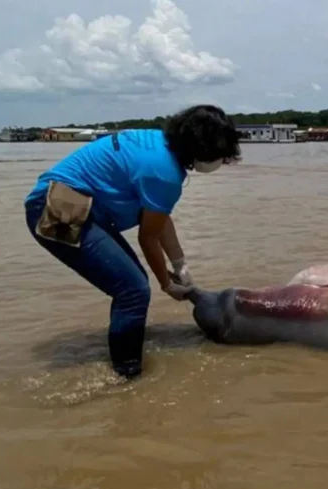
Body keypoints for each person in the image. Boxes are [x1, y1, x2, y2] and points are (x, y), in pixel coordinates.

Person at [23, 104, 241, 378]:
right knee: (133, 290)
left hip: (68, 201)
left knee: (133, 284)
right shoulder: (164, 172)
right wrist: (166, 283)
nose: (220, 161)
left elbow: (158, 219)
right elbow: (148, 236)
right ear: (203, 148)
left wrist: (180, 264)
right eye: (220, 155)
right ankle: (127, 375)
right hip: (58, 208)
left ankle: (123, 362)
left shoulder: (157, 144)